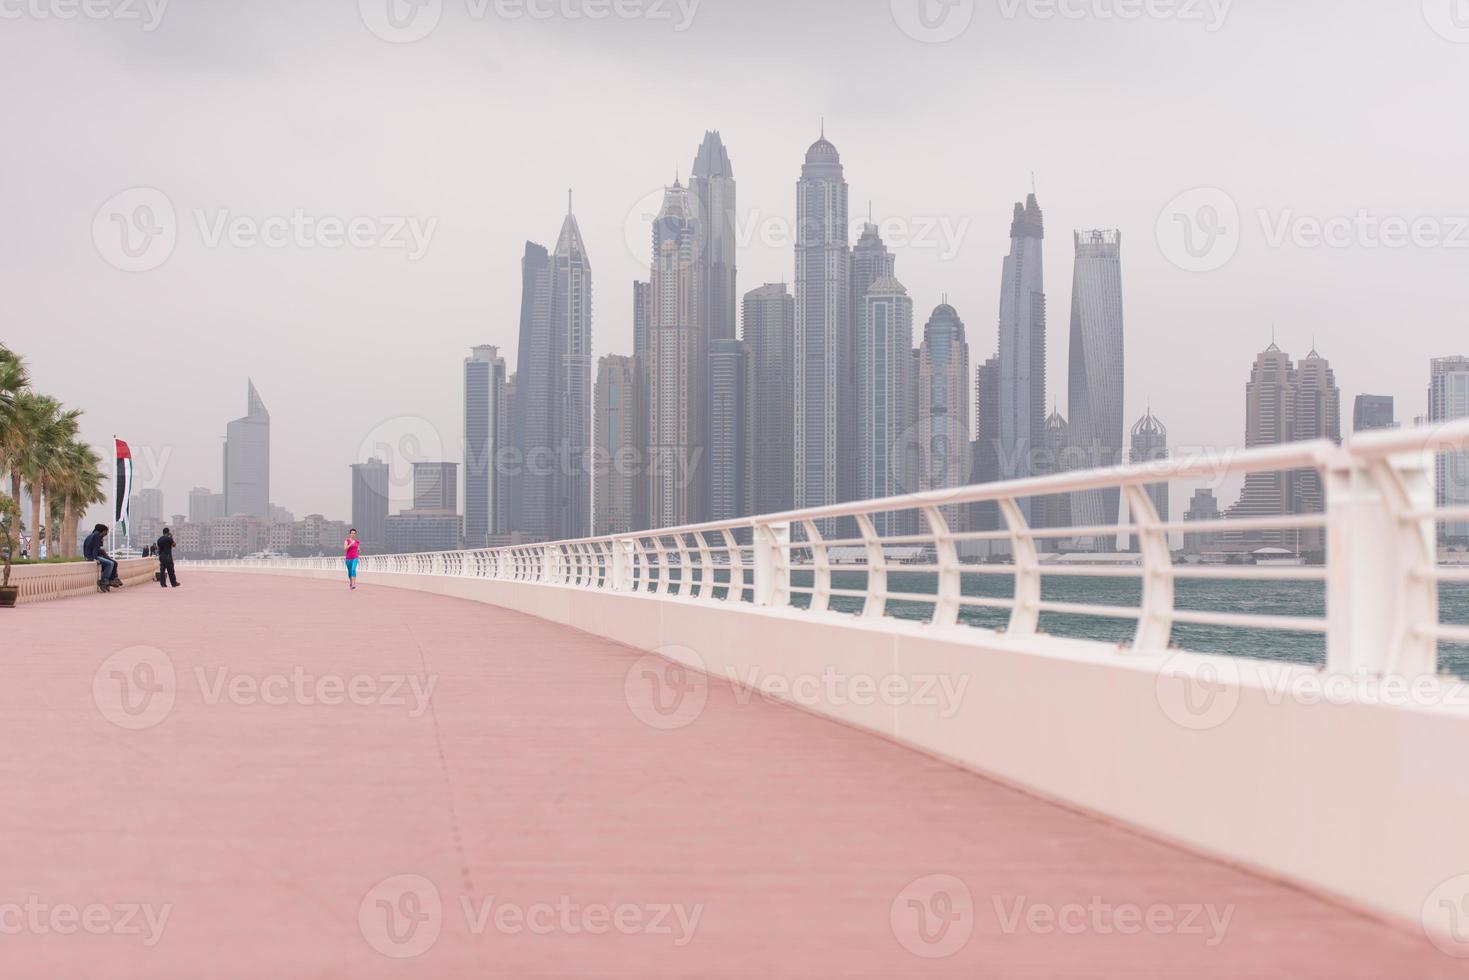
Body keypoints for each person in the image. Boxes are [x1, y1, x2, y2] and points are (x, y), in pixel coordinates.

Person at [82, 524, 119, 594]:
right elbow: (95, 548)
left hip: (93, 555)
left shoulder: (95, 535)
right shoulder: (96, 536)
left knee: (112, 562)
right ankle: (104, 580)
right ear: (103, 531)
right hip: (92, 556)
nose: (107, 534)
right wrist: (95, 558)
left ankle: (111, 580)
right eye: (106, 532)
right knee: (110, 563)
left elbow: (100, 549)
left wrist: (107, 557)